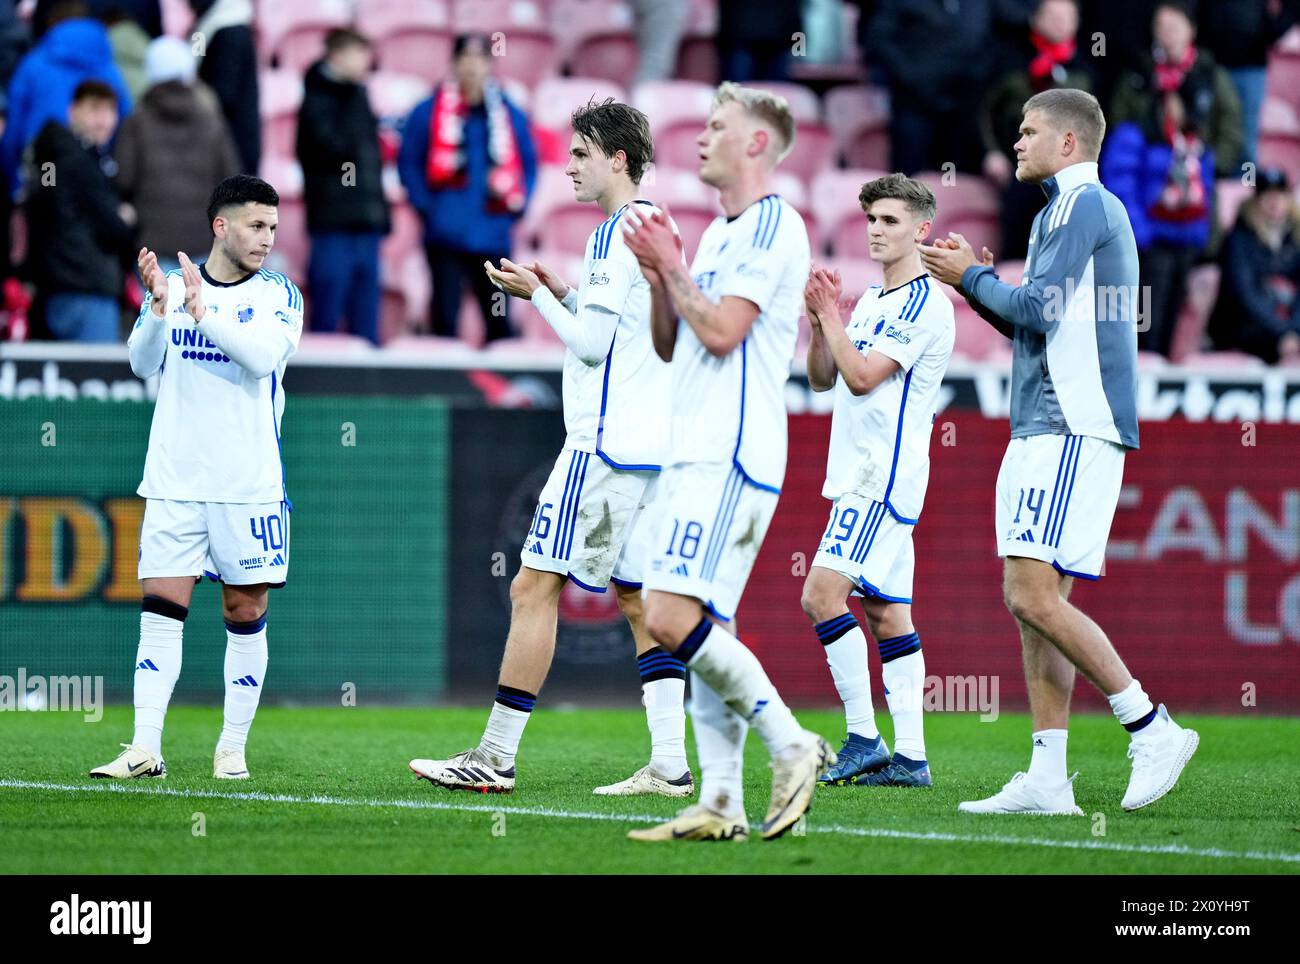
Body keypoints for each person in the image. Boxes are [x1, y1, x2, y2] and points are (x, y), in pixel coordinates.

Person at [920, 88, 1199, 815]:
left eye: (1029, 130)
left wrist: (972, 280)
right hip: (1053, 424)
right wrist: (978, 286)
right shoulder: (1060, 213)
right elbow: (1039, 322)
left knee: (1030, 594)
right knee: (1035, 606)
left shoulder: (1080, 206)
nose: (1017, 140)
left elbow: (1037, 309)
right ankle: (1048, 775)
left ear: (1068, 144)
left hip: (1070, 425)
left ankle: (1149, 725)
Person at [408, 100, 689, 797]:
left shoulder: (610, 234)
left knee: (533, 586)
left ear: (616, 159)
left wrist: (538, 296)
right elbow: (638, 330)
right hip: (650, 448)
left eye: (580, 153)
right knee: (635, 601)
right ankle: (671, 763)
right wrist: (564, 292)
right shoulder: (661, 226)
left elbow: (591, 344)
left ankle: (495, 757)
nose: (567, 165)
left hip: (601, 449)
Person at [621, 83, 830, 843]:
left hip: (732, 452)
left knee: (670, 616)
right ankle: (721, 803)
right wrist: (659, 280)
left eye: (717, 126)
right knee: (706, 624)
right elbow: (676, 340)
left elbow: (724, 334)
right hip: (698, 444)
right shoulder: (716, 234)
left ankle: (791, 742)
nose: (700, 136)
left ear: (757, 145)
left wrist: (672, 267)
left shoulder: (777, 225)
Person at [90, 174, 303, 782]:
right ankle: (144, 748)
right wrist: (160, 311)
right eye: (256, 226)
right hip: (175, 478)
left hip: (248, 483)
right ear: (221, 226)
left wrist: (202, 314)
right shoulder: (176, 287)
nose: (267, 238)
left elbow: (262, 358)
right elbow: (140, 363)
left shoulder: (280, 293)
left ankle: (231, 747)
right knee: (160, 612)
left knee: (243, 610)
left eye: (272, 227)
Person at [800, 173, 954, 789]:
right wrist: (821, 320)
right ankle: (912, 759)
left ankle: (864, 737)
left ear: (922, 230)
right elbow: (821, 378)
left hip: (881, 482)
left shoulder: (923, 304)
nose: (875, 231)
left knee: (819, 596)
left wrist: (833, 322)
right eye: (871, 220)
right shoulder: (869, 300)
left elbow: (863, 377)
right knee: (889, 617)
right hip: (858, 476)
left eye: (890, 221)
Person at [1106, 1, 1242, 357]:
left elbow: (1231, 131)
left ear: (1191, 31)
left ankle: (1168, 367)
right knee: (1146, 297)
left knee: (1179, 299)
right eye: (1162, 27)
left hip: (1193, 216)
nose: (1168, 35)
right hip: (1147, 220)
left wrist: (1208, 166)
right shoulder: (1137, 78)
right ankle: (1142, 364)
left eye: (1175, 26)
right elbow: (1119, 152)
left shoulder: (1211, 75)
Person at [398, 34, 537, 343]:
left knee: (499, 324)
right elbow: (408, 163)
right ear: (455, 63)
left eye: (479, 59)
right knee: (445, 324)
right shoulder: (428, 111)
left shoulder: (509, 114)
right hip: (445, 237)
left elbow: (528, 165)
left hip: (493, 237)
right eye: (466, 58)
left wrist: (514, 208)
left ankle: (502, 390)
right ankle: (441, 391)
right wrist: (428, 208)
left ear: (489, 65)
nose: (472, 67)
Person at [115, 36, 241, 277]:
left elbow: (123, 178)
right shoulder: (211, 118)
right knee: (198, 313)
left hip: (154, 246)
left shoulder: (137, 120)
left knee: (158, 312)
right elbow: (231, 177)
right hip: (203, 243)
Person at [980, 0, 1094, 259]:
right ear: (1035, 19)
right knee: (1020, 252)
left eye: (1068, 17)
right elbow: (984, 111)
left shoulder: (1085, 69)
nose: (1061, 22)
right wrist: (991, 152)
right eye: (1054, 16)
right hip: (1021, 170)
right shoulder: (1010, 61)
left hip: (1068, 176)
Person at [297, 28, 390, 345]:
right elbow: (333, 149)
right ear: (336, 57)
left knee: (367, 318)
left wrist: (381, 215)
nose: (367, 63)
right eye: (359, 55)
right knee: (328, 313)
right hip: (333, 223)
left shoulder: (359, 95)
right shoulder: (318, 99)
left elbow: (369, 160)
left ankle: (372, 389)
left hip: (366, 222)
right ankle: (320, 388)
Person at [25, 79, 134, 343]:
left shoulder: (53, 155)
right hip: (87, 288)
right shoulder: (79, 161)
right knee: (95, 377)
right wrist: (126, 219)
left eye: (110, 112)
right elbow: (114, 228)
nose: (104, 120)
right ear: (73, 111)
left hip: (56, 289)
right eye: (95, 110)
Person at [0, 0, 132, 196]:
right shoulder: (109, 68)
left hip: (44, 161)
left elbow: (14, 124)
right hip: (94, 161)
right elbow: (125, 120)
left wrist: (11, 181)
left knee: (47, 201)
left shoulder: (35, 62)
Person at [1208, 166, 1300, 364]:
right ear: (1257, 200)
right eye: (1269, 196)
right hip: (1243, 326)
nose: (1275, 203)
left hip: (1287, 324)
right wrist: (1282, 332)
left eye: (1281, 196)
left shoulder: (1295, 237)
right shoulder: (1239, 239)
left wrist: (1293, 328)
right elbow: (1245, 294)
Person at [189, 0, 259, 174]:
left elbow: (223, 93)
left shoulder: (230, 31)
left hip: (232, 142)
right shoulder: (204, 27)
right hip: (222, 140)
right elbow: (194, 63)